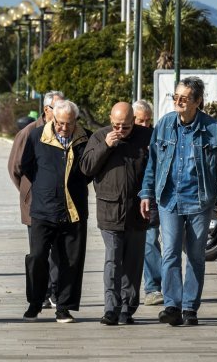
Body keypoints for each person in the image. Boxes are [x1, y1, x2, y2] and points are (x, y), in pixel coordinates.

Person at [139, 77, 217, 326]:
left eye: (184, 98)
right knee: (170, 252)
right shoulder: (164, 125)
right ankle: (172, 305)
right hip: (168, 199)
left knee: (194, 255)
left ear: (198, 101)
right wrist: (146, 193)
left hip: (199, 201)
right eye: (175, 96)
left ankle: (190, 307)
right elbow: (153, 163)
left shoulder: (213, 129)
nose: (178, 102)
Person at [19, 99, 90, 323]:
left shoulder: (86, 137)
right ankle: (34, 302)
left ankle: (64, 307)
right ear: (53, 118)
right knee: (37, 256)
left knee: (70, 260)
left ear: (75, 121)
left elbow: (90, 168)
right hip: (43, 208)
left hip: (74, 208)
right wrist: (43, 188)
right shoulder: (36, 135)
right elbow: (25, 166)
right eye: (60, 123)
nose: (64, 128)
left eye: (68, 124)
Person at [81, 102, 151, 325]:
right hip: (109, 209)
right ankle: (110, 308)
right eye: (116, 125)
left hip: (138, 211)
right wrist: (105, 146)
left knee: (133, 263)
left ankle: (128, 309)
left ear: (134, 121)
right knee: (113, 260)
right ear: (110, 119)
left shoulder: (147, 136)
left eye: (126, 127)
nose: (120, 130)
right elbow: (86, 167)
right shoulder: (100, 136)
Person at [8, 90, 64, 309]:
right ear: (46, 109)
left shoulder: (67, 131)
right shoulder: (29, 133)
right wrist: (27, 191)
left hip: (61, 205)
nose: (61, 113)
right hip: (35, 204)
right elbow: (15, 167)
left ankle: (56, 292)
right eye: (57, 109)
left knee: (60, 252)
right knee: (39, 253)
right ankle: (39, 294)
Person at [133, 99, 162, 306]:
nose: (145, 125)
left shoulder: (154, 138)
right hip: (127, 200)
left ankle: (153, 288)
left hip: (150, 199)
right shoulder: (122, 137)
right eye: (140, 121)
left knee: (150, 241)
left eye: (148, 121)